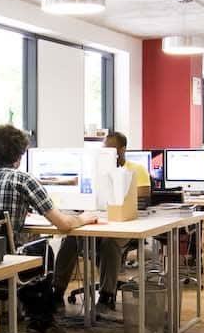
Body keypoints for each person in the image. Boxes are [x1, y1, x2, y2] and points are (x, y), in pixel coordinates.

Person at [0, 123, 97, 333]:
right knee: (43, 250)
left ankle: (41, 321)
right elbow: (63, 224)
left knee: (32, 251)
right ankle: (40, 322)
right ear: (19, 154)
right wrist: (84, 218)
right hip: (6, 264)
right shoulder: (22, 180)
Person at [53, 131, 148, 313]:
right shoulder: (97, 171)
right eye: (105, 148)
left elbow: (143, 197)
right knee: (71, 238)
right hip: (98, 221)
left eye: (111, 148)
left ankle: (106, 295)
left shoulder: (135, 169)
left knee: (109, 242)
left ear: (122, 149)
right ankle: (57, 292)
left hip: (125, 225)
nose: (107, 152)